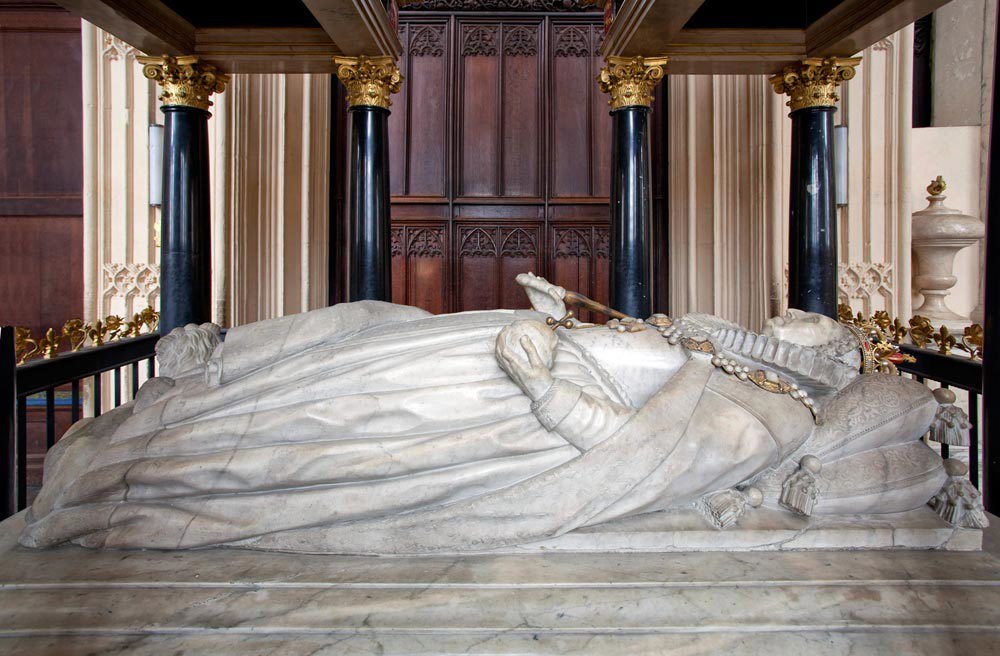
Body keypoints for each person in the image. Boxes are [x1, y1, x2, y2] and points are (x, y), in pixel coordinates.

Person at [20, 275, 948, 553]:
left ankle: (140, 477)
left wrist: (541, 383)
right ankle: (214, 371)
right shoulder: (730, 358)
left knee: (323, 426)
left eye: (807, 323)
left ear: (831, 362)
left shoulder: (774, 420)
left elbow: (642, 460)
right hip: (499, 349)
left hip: (503, 411)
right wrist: (556, 327)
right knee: (365, 326)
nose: (788, 317)